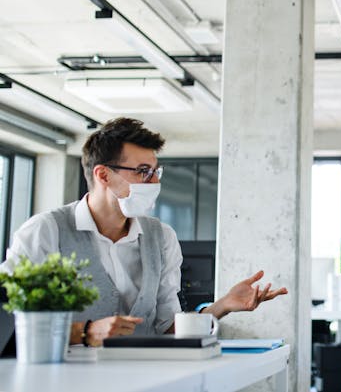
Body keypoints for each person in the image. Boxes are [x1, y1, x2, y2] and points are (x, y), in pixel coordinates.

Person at [0, 118, 287, 347]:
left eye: (155, 173)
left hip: (146, 378)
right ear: (103, 175)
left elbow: (167, 328)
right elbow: (8, 321)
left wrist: (222, 305)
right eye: (142, 171)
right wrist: (84, 332)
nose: (152, 182)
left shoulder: (162, 237)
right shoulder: (46, 230)